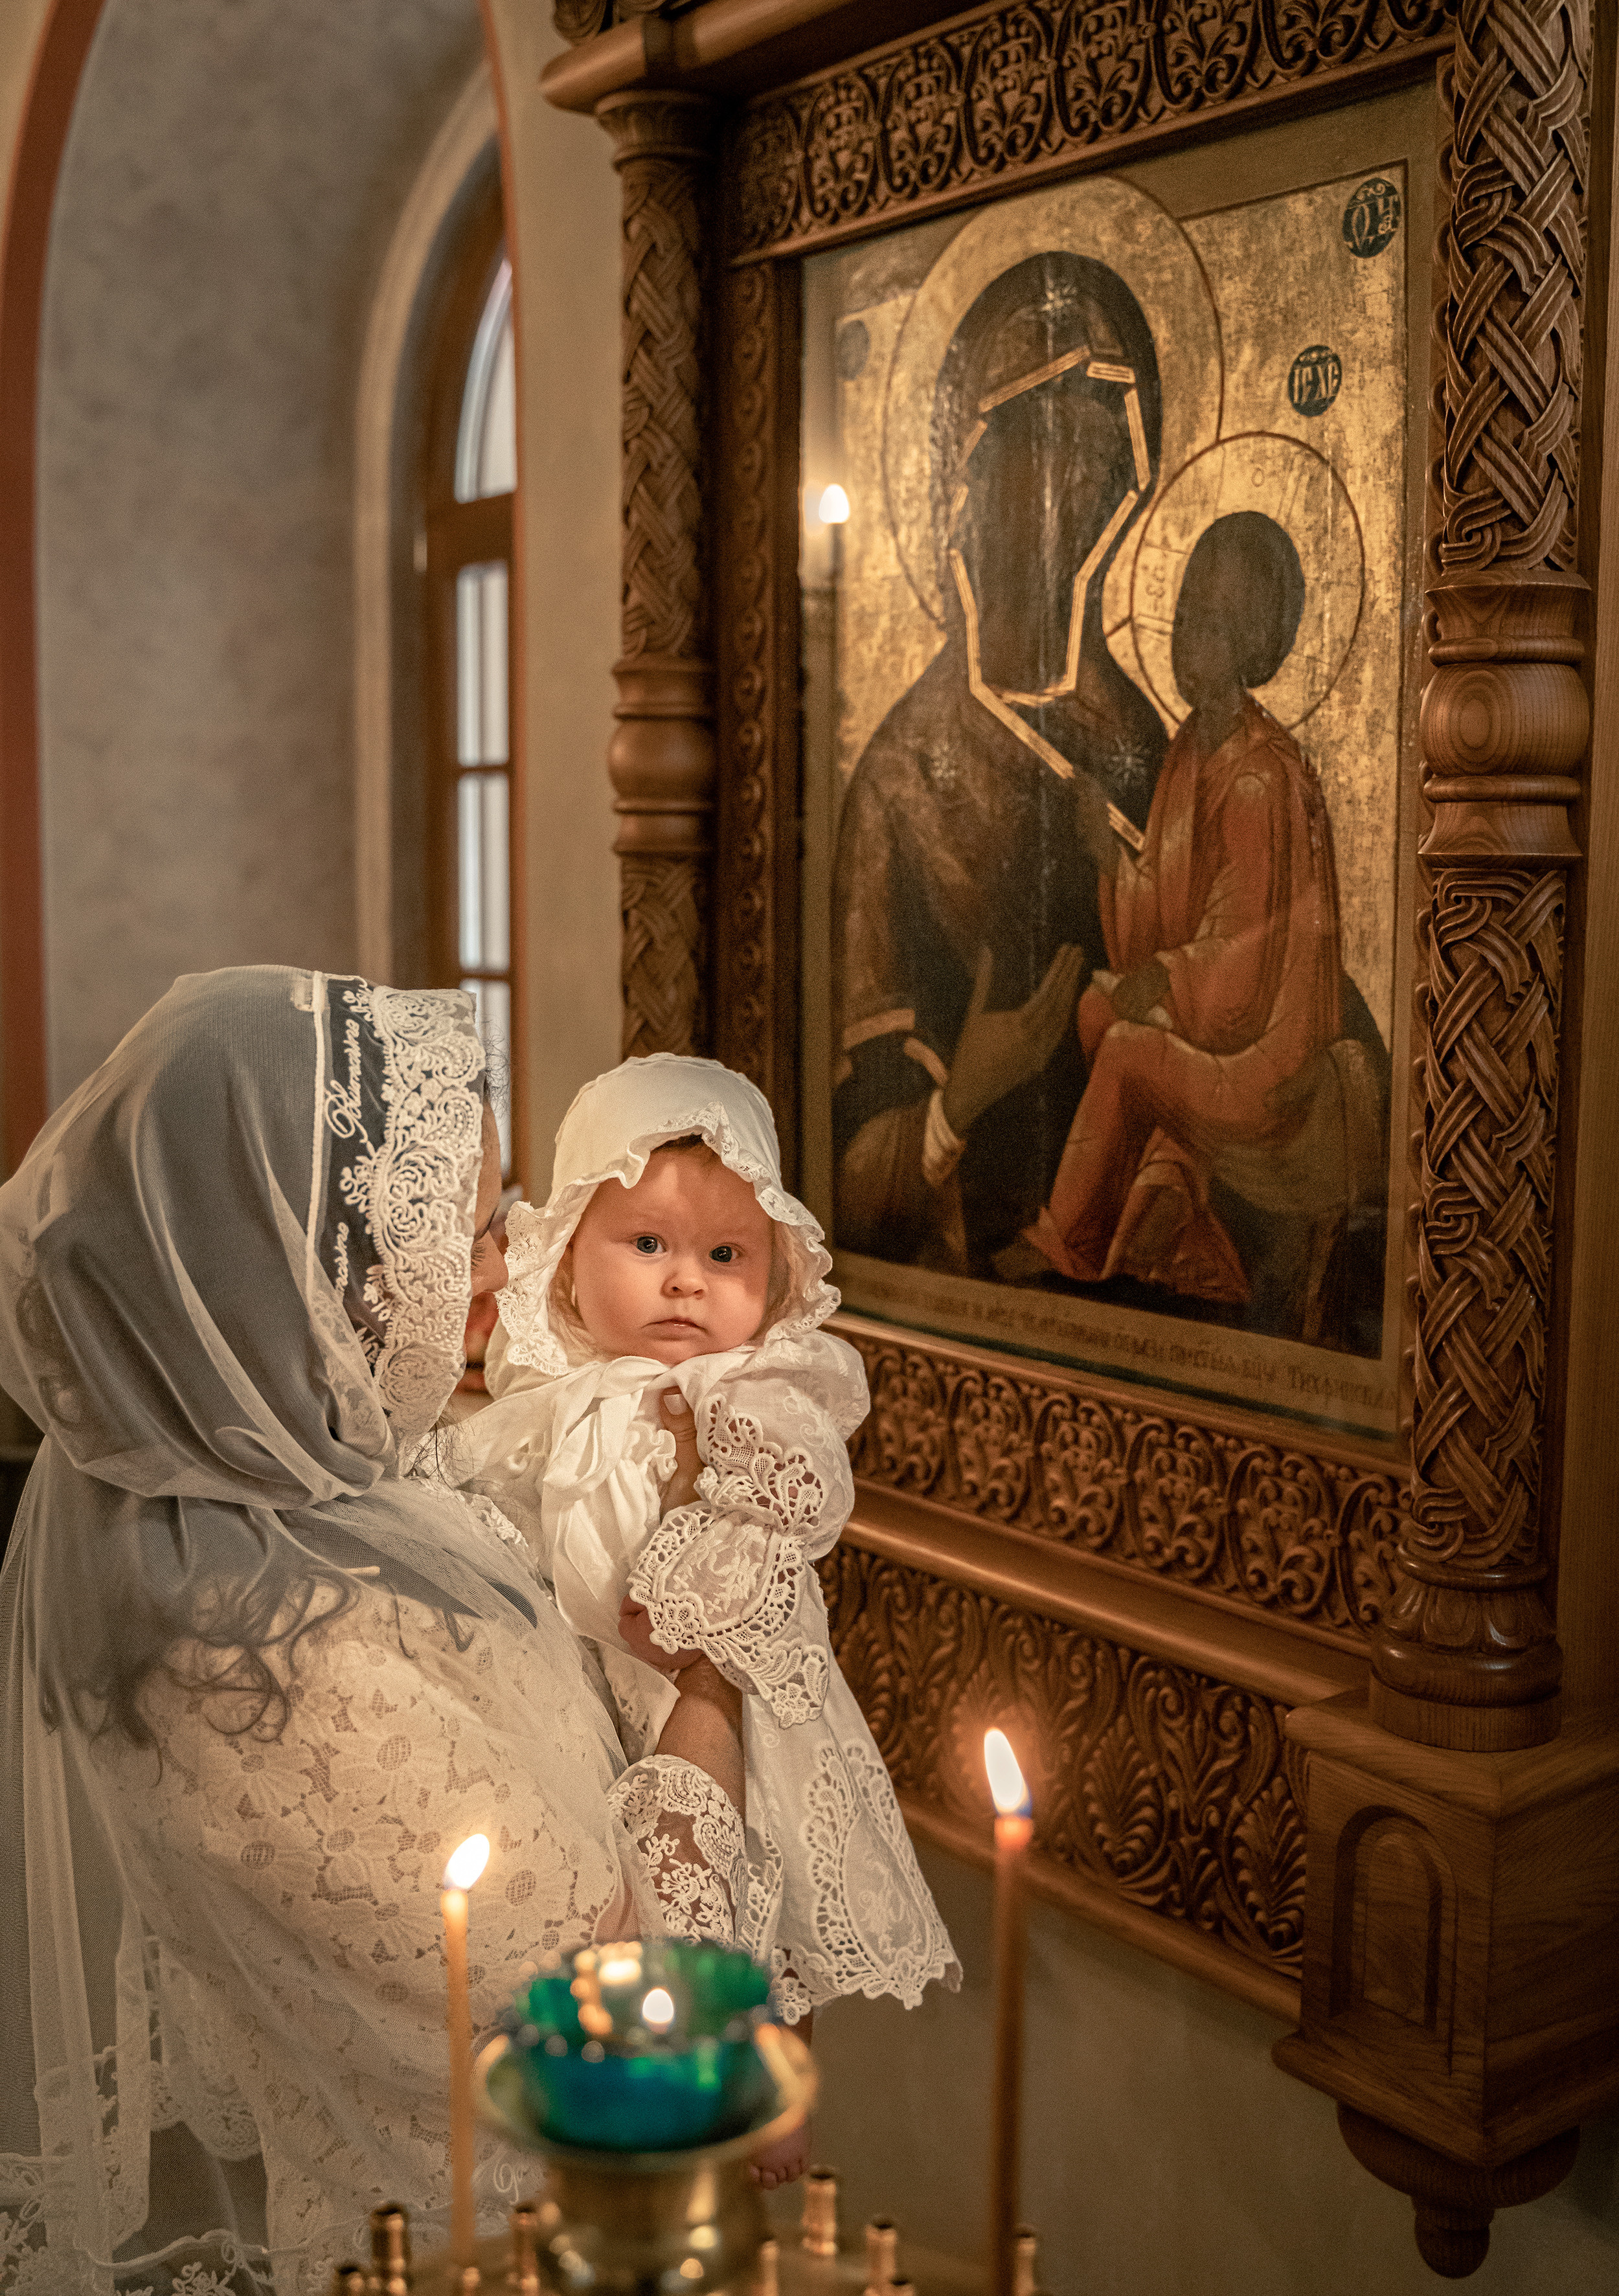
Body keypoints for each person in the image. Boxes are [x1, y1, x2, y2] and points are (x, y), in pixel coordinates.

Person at [0, 971, 779, 2295]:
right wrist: (717, 1680)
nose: (501, 1270)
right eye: (462, 1236)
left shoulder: (315, 1476)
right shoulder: (253, 1653)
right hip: (488, 2245)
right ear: (289, 1272)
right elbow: (642, 2012)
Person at [443, 1055, 959, 2135]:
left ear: (775, 1272)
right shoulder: (557, 1396)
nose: (687, 1282)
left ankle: (776, 2084)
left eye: (726, 1255)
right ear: (568, 1260)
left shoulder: (746, 1387)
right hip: (603, 1682)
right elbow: (495, 1492)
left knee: (763, 1883)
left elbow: (792, 1498)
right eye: (648, 1245)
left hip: (727, 1676)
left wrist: (689, 1568)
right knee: (644, 1904)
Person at [831, 251, 1168, 1276]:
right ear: (968, 478)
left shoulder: (1147, 748)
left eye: (1103, 450)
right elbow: (848, 1174)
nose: (1079, 480)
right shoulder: (897, 782)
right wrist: (963, 1096)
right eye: (1047, 439)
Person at [1022, 513, 1347, 1301]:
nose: (1184, 641)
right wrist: (1108, 856)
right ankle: (1159, 1217)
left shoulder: (1259, 778)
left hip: (1269, 1053)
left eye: (1209, 624)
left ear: (1250, 642)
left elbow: (1245, 956)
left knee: (1126, 1050)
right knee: (1097, 1010)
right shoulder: (1193, 748)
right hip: (1217, 1017)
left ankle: (1067, 1244)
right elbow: (1170, 910)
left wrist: (1166, 977)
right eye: (1182, 618)